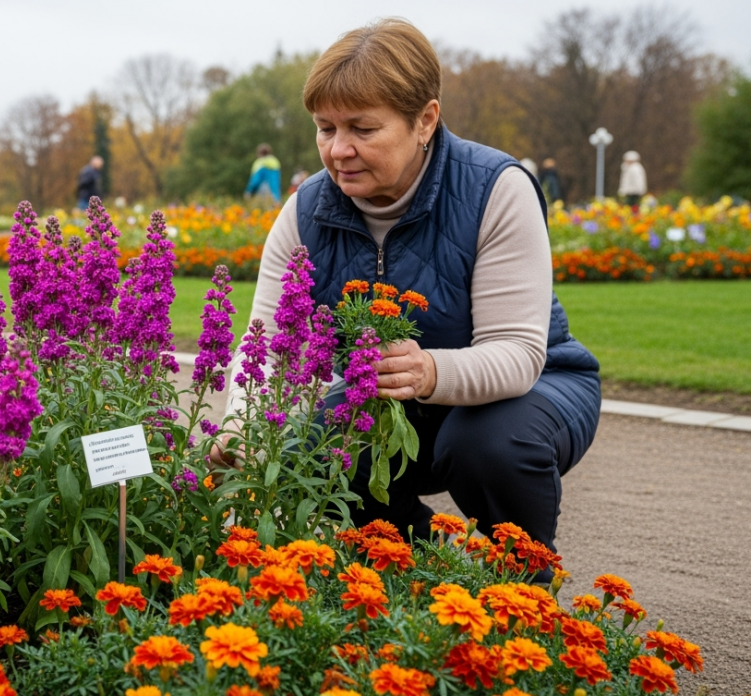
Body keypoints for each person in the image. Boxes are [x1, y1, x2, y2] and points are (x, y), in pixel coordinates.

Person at [217, 19, 600, 570]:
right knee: (311, 450)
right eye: (325, 128)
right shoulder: (304, 211)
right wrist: (241, 428)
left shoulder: (496, 188)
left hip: (531, 390)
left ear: (425, 120)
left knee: (485, 445)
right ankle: (417, 572)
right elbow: (268, 343)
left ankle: (526, 584)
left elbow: (518, 351)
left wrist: (429, 373)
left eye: (362, 129)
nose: (339, 149)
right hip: (388, 401)